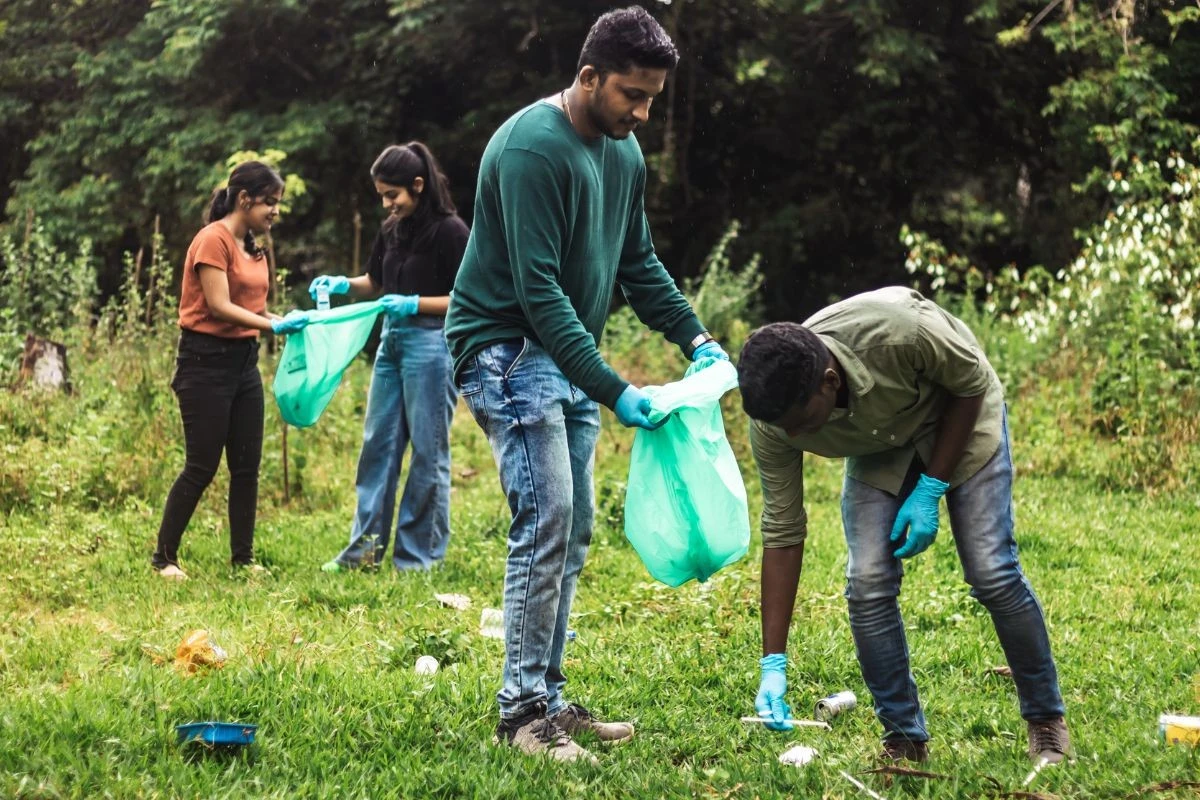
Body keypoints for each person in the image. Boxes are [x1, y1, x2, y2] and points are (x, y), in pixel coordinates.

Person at [444, 5, 730, 764]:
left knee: (572, 530)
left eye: (652, 100)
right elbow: (538, 291)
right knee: (548, 521)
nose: (642, 114)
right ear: (589, 76)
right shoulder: (531, 149)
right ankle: (520, 716)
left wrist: (696, 337)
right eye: (632, 95)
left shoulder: (622, 154)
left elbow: (638, 263)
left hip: (562, 354)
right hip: (505, 347)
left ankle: (548, 697)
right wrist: (614, 387)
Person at [736, 286, 1070, 765]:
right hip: (880, 448)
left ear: (830, 382)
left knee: (991, 570)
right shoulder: (775, 419)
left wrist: (931, 486)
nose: (792, 436)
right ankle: (904, 737)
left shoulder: (902, 332)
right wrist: (773, 661)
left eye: (801, 421)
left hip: (961, 415)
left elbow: (970, 384)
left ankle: (1046, 719)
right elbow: (783, 530)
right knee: (867, 580)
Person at [309, 142, 468, 573]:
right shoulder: (392, 228)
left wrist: (415, 303)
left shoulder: (452, 232)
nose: (386, 204)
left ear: (417, 185)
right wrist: (343, 284)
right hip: (391, 343)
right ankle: (363, 553)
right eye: (381, 195)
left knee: (427, 452)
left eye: (392, 194)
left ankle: (417, 557)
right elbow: (374, 281)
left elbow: (466, 299)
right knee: (377, 447)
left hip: (432, 345)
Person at [152, 161, 310, 580]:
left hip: (244, 364)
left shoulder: (252, 246)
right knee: (201, 465)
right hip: (204, 363)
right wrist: (272, 327)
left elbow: (254, 309)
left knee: (246, 467)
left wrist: (283, 320)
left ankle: (243, 559)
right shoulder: (213, 240)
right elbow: (220, 306)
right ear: (244, 198)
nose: (275, 211)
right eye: (269, 202)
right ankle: (164, 558)